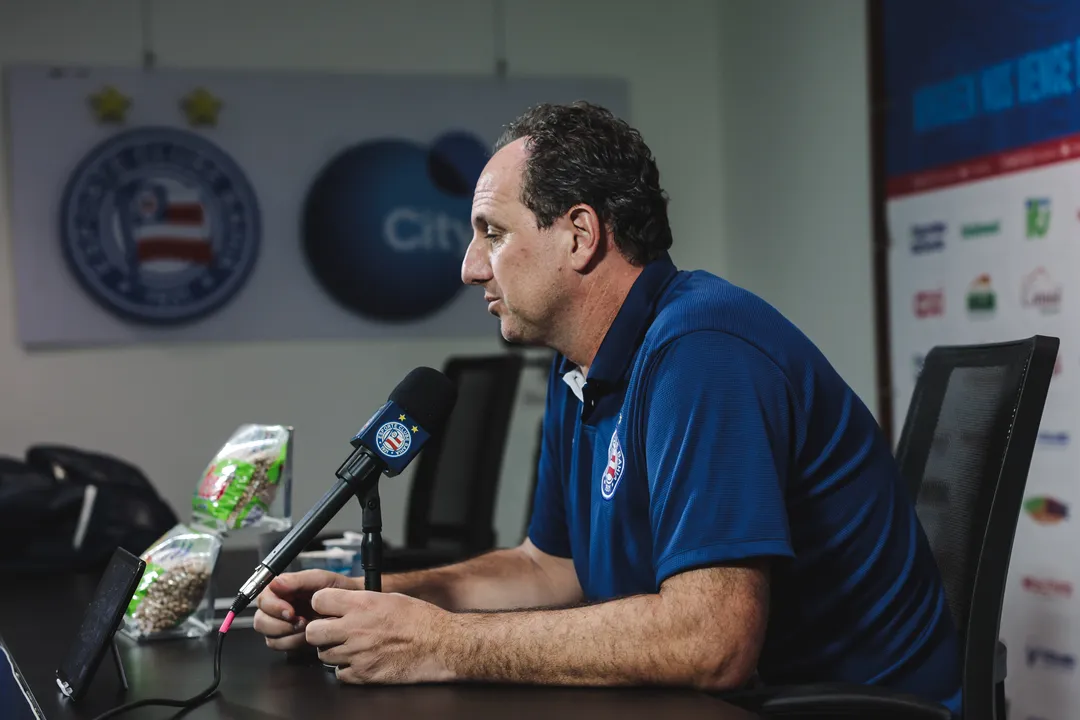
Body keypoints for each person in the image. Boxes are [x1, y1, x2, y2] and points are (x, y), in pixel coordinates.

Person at [254, 101, 962, 712]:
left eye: (492, 233)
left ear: (581, 235)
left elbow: (712, 642)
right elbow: (548, 569)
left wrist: (443, 644)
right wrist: (366, 598)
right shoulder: (585, 362)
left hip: (832, 710)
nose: (470, 266)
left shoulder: (702, 351)